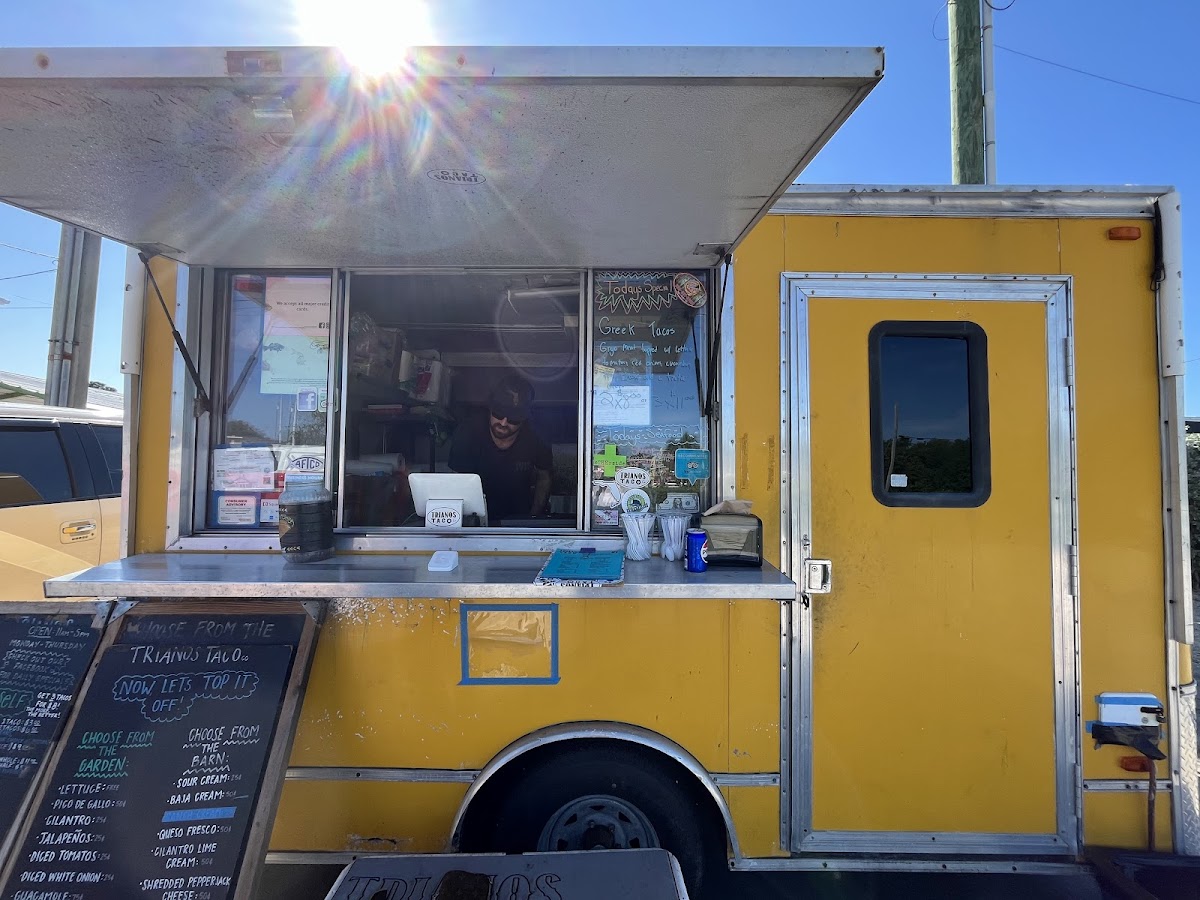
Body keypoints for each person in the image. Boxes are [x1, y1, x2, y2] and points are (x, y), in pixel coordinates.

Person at [448, 374, 552, 523]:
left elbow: (544, 477)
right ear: (490, 408)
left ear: (524, 418)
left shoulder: (537, 435)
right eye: (499, 413)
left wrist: (532, 519)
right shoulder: (468, 432)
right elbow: (456, 481)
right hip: (474, 519)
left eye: (513, 418)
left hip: (519, 519)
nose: (503, 423)